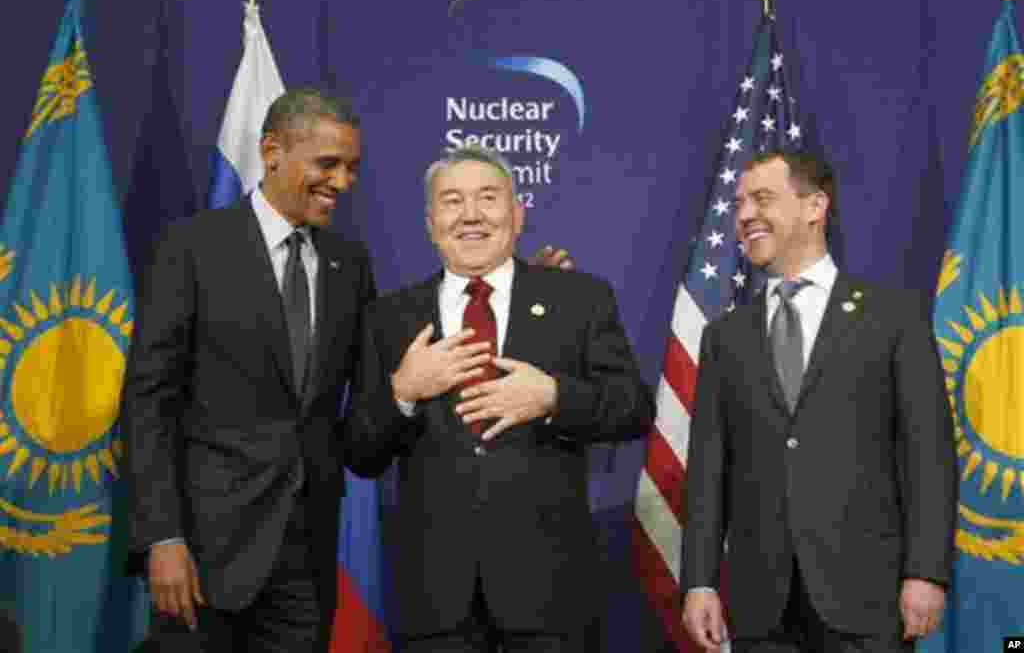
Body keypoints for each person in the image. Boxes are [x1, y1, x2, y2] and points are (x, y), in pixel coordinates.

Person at [122, 88, 575, 652]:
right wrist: (161, 536)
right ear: (272, 152)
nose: (342, 181)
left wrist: (514, 286)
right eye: (328, 164)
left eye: (352, 168)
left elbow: (385, 369)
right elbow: (148, 402)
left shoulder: (347, 263)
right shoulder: (192, 248)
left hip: (306, 556)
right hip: (203, 551)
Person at [344, 145, 654, 652]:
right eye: (452, 201)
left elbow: (634, 409)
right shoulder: (390, 318)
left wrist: (553, 396)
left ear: (517, 214)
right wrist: (403, 391)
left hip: (551, 593)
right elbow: (361, 453)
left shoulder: (579, 299)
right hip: (436, 599)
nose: (471, 214)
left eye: (488, 197)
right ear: (430, 224)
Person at [680, 150, 957, 653]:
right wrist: (699, 581)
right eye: (739, 204)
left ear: (815, 207)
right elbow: (708, 469)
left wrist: (926, 572)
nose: (744, 216)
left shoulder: (892, 317)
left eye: (762, 198)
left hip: (868, 599)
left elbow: (928, 455)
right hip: (761, 606)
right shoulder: (725, 337)